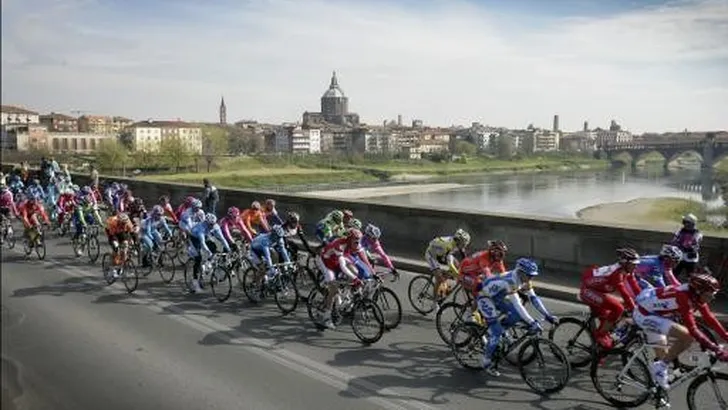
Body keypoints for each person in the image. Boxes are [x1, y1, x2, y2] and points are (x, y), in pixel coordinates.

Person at [634, 274, 728, 389]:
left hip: (658, 314)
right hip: (644, 315)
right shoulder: (683, 297)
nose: (712, 298)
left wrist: (726, 336)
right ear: (698, 292)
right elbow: (692, 329)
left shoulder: (694, 295)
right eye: (710, 295)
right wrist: (715, 348)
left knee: (665, 357)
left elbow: (710, 318)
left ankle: (656, 390)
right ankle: (660, 368)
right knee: (687, 336)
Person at [475, 258, 558, 375]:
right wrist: (531, 322)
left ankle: (502, 331)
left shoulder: (524, 280)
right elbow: (518, 305)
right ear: (521, 272)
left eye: (532, 276)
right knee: (496, 332)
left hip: (498, 298)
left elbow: (534, 299)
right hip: (485, 298)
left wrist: (547, 314)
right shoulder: (511, 281)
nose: (531, 278)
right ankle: (486, 361)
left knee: (516, 315)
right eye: (529, 276)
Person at [580, 247, 642, 349]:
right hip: (588, 291)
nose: (636, 267)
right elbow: (625, 294)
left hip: (598, 290)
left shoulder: (627, 270)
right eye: (634, 264)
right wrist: (634, 309)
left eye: (636, 264)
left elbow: (635, 287)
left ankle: (598, 349)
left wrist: (646, 299)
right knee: (618, 308)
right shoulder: (616, 274)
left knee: (608, 319)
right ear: (625, 263)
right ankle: (600, 336)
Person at [315, 229, 367, 329]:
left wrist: (367, 273)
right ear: (349, 239)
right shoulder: (340, 245)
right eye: (355, 240)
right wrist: (356, 279)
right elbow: (343, 266)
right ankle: (326, 318)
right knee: (334, 289)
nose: (357, 242)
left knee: (355, 271)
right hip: (325, 262)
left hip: (337, 259)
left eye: (359, 240)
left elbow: (362, 258)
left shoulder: (354, 244)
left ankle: (345, 296)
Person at [458, 240, 508, 316]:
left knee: (484, 288)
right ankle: (470, 316)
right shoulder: (484, 257)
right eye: (499, 252)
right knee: (479, 291)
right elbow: (487, 274)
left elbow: (504, 273)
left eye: (502, 253)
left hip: (475, 273)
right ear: (493, 251)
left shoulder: (497, 258)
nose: (501, 255)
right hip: (465, 273)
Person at [425, 229, 471, 306]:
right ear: (458, 241)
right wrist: (458, 276)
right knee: (439, 278)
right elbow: (450, 265)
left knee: (458, 266)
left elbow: (464, 257)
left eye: (466, 244)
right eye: (464, 244)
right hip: (432, 255)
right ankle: (435, 302)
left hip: (444, 253)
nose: (465, 245)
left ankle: (444, 282)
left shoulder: (458, 243)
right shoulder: (448, 245)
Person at [187, 213, 231, 293]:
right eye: (210, 225)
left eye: (213, 224)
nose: (212, 226)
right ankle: (194, 282)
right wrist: (208, 252)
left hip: (205, 236)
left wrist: (228, 249)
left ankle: (207, 265)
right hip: (194, 238)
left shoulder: (215, 226)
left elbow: (222, 239)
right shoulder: (201, 227)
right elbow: (202, 243)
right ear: (206, 223)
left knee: (214, 248)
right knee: (198, 258)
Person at [249, 225, 291, 302]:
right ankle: (256, 289)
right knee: (263, 269)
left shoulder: (279, 238)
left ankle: (269, 280)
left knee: (275, 256)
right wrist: (271, 268)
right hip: (255, 250)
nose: (279, 239)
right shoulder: (266, 240)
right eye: (277, 237)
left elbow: (283, 251)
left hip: (266, 248)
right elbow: (268, 257)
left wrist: (289, 263)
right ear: (273, 235)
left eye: (280, 237)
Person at [671, 214, 703, 280]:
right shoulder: (681, 231)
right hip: (679, 257)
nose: (684, 224)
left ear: (691, 223)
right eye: (684, 222)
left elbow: (690, 243)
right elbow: (674, 241)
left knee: (691, 277)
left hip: (690, 259)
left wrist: (682, 244)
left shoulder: (697, 233)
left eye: (686, 222)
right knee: (673, 275)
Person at [104, 212, 136, 278]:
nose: (124, 224)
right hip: (112, 233)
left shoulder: (127, 223)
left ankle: (122, 268)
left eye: (125, 223)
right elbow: (112, 236)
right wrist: (115, 244)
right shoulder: (113, 222)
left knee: (125, 249)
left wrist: (135, 243)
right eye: (122, 223)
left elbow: (133, 234)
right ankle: (112, 270)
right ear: (119, 221)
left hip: (121, 232)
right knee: (116, 249)